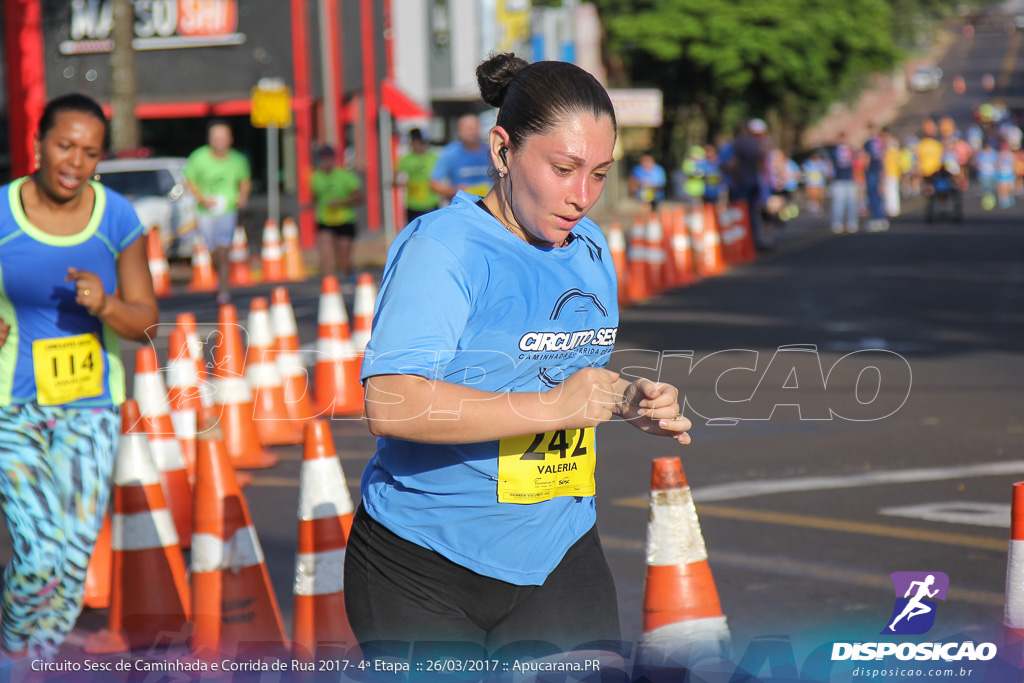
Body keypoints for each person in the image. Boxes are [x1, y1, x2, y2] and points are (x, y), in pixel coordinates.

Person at [345, 53, 691, 663]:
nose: (583, 196)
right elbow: (392, 403)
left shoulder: (589, 247)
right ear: (502, 151)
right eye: (563, 169)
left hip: (558, 546)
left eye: (601, 174)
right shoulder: (443, 249)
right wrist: (555, 406)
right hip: (425, 564)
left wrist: (624, 396)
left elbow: (559, 369)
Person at [0, 93, 158, 662]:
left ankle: (31, 666)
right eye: (64, 145)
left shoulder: (116, 217)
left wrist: (106, 305)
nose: (74, 162)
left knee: (70, 563)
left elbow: (145, 326)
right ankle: (14, 652)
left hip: (90, 407)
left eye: (89, 153)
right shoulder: (1, 214)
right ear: (38, 143)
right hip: (10, 408)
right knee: (39, 552)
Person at [184, 120, 251, 304]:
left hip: (227, 210)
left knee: (223, 249)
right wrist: (202, 198)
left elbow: (244, 181)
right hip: (206, 211)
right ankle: (220, 280)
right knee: (213, 251)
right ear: (210, 139)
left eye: (223, 137)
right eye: (216, 137)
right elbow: (190, 180)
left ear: (230, 139)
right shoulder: (198, 158)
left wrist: (242, 196)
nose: (219, 141)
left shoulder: (238, 160)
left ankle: (224, 288)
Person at [311, 145, 364, 282]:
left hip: (344, 221)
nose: (326, 162)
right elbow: (316, 198)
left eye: (329, 159)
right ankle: (330, 288)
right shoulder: (315, 177)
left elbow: (359, 198)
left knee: (344, 260)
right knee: (327, 258)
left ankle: (351, 274)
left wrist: (340, 203)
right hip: (325, 221)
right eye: (323, 159)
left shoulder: (344, 176)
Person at [429, 113, 492, 202]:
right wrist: (455, 190)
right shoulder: (450, 153)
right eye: (467, 129)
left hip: (489, 207)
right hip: (462, 207)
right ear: (459, 131)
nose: (471, 132)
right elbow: (434, 184)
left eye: (474, 128)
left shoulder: (492, 152)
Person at [394, 127, 439, 226]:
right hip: (413, 204)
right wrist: (405, 183)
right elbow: (396, 179)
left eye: (419, 142)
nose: (416, 145)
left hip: (431, 202)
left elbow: (441, 178)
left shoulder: (433, 158)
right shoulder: (406, 159)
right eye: (413, 142)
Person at [829, 132, 859, 234]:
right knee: (838, 204)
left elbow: (856, 164)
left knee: (851, 203)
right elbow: (830, 165)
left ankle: (852, 223)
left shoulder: (852, 150)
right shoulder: (834, 151)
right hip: (838, 179)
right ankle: (837, 223)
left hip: (850, 179)